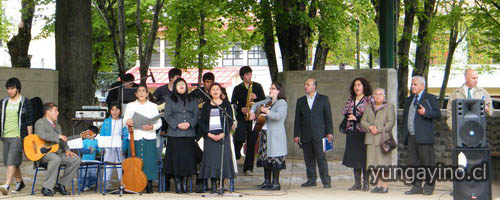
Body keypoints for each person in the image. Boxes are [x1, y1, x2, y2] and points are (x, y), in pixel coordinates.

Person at [402, 76, 441, 195]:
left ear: (422, 86)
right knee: (414, 163)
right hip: (411, 136)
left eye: (415, 84)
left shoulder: (430, 98)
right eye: (412, 84)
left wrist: (426, 113)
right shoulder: (409, 100)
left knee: (428, 162)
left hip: (424, 137)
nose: (412, 86)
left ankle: (429, 187)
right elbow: (405, 117)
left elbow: (437, 114)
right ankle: (416, 186)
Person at [293, 78, 333, 188]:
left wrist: (330, 132)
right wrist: (296, 134)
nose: (306, 86)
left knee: (321, 158)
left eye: (308, 84)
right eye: (305, 84)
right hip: (306, 134)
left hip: (320, 134)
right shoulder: (300, 101)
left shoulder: (324, 99)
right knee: (309, 159)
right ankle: (311, 180)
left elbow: (328, 117)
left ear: (314, 86)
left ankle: (326, 181)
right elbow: (297, 119)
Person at [35, 103, 81, 196]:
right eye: (55, 110)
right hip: (44, 154)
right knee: (55, 159)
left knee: (76, 159)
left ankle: (61, 184)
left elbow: (63, 139)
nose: (58, 113)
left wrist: (67, 150)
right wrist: (58, 136)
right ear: (48, 112)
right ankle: (47, 187)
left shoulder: (57, 125)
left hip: (57, 153)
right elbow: (42, 135)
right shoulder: (40, 122)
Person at [123, 84, 162, 193]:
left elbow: (159, 121)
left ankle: (148, 183)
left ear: (147, 94)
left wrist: (152, 127)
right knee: (135, 161)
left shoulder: (153, 106)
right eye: (139, 91)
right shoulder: (130, 105)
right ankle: (133, 183)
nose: (141, 93)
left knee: (149, 161)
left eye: (143, 91)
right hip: (135, 136)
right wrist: (127, 121)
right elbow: (125, 118)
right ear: (136, 94)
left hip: (149, 135)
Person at [249, 82, 288, 191]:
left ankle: (276, 183)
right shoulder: (267, 101)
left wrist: (267, 111)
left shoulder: (282, 103)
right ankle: (267, 181)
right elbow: (255, 104)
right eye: (270, 87)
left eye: (273, 88)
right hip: (265, 133)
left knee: (275, 158)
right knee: (265, 158)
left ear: (279, 91)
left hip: (275, 135)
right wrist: (252, 112)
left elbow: (278, 116)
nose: (270, 89)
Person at [163, 78, 199, 194]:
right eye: (179, 84)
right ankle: (178, 182)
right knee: (176, 160)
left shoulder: (192, 99)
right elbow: (167, 115)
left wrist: (189, 123)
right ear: (175, 87)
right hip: (175, 134)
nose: (181, 86)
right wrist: (177, 124)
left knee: (187, 160)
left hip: (189, 134)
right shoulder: (170, 99)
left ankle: (185, 182)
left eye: (183, 84)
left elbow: (196, 115)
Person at [198, 83, 235, 193]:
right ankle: (213, 184)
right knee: (211, 161)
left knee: (222, 160)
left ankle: (221, 184)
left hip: (223, 136)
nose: (215, 91)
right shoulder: (206, 106)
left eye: (217, 89)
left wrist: (223, 134)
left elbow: (230, 120)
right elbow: (202, 122)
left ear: (221, 92)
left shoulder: (226, 105)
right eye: (213, 89)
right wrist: (209, 134)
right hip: (210, 137)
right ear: (209, 92)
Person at [0, 78, 33, 195]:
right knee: (12, 162)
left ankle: (7, 185)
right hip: (5, 136)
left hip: (18, 136)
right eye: (8, 89)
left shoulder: (25, 102)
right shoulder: (3, 102)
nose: (10, 91)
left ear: (18, 88)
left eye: (12, 88)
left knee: (11, 161)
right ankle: (20, 182)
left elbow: (29, 121)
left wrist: (30, 139)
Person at [231, 66, 265, 176]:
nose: (249, 76)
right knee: (239, 138)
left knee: (252, 143)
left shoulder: (257, 86)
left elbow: (264, 102)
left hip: (254, 119)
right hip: (241, 118)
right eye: (246, 74)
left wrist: (257, 97)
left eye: (250, 74)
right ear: (242, 76)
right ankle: (235, 157)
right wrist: (240, 109)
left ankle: (248, 168)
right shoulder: (237, 88)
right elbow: (233, 103)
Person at [360, 88, 395, 193]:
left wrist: (378, 129)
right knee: (374, 164)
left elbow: (391, 123)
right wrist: (370, 127)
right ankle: (379, 185)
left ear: (384, 96)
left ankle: (385, 186)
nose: (378, 96)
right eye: (376, 94)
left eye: (380, 94)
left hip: (383, 139)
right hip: (371, 139)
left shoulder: (389, 107)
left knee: (384, 164)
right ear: (373, 96)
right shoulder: (368, 107)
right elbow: (362, 121)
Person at [341, 77, 372, 191]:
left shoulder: (369, 99)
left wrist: (357, 118)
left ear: (364, 86)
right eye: (355, 85)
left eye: (359, 85)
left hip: (363, 132)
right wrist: (349, 114)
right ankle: (357, 183)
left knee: (364, 158)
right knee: (354, 158)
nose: (356, 87)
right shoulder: (351, 99)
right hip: (351, 131)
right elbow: (344, 111)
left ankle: (366, 183)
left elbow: (371, 115)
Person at [99, 103, 129, 189]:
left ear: (120, 111)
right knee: (108, 165)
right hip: (108, 147)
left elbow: (126, 135)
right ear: (110, 111)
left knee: (120, 166)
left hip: (119, 147)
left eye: (117, 110)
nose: (114, 112)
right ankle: (106, 184)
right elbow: (102, 133)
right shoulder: (106, 121)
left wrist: (124, 146)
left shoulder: (123, 121)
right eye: (112, 110)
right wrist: (103, 146)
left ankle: (122, 183)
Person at [79, 126, 100, 191]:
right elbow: (81, 150)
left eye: (89, 132)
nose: (87, 133)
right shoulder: (85, 141)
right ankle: (84, 185)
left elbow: (98, 150)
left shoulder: (96, 141)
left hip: (93, 161)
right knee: (84, 174)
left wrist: (101, 150)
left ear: (94, 134)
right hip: (84, 161)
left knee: (93, 174)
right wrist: (89, 151)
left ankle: (92, 185)